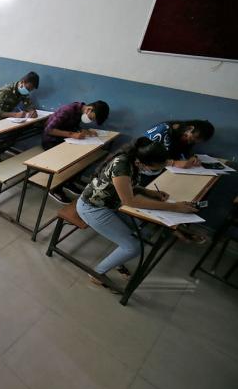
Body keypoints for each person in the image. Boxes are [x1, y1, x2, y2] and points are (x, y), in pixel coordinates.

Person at [76, 137, 198, 289]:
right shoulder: (122, 165)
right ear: (142, 162)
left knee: (144, 233)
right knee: (133, 247)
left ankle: (117, 260)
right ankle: (97, 273)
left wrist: (148, 192)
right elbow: (129, 201)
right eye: (155, 167)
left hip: (112, 204)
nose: (157, 169)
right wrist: (175, 207)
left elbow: (127, 186)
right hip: (92, 207)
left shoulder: (135, 159)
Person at [42, 100, 110, 204]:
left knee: (85, 158)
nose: (90, 121)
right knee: (72, 160)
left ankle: (68, 182)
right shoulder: (67, 110)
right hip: (50, 141)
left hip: (64, 140)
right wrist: (72, 135)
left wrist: (84, 131)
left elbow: (71, 125)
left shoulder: (80, 111)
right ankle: (55, 189)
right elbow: (49, 129)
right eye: (92, 118)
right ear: (89, 109)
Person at [0, 71, 40, 162]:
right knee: (13, 133)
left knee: (22, 128)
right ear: (22, 82)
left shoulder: (23, 91)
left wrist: (32, 111)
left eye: (31, 90)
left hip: (7, 118)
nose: (28, 91)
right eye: (28, 88)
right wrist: (15, 115)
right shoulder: (5, 91)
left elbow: (28, 104)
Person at [143, 120, 215, 169]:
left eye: (194, 142)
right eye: (190, 139)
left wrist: (191, 157)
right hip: (146, 171)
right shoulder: (162, 131)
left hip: (165, 169)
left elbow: (184, 151)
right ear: (190, 128)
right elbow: (145, 158)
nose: (189, 143)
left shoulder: (184, 138)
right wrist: (173, 163)